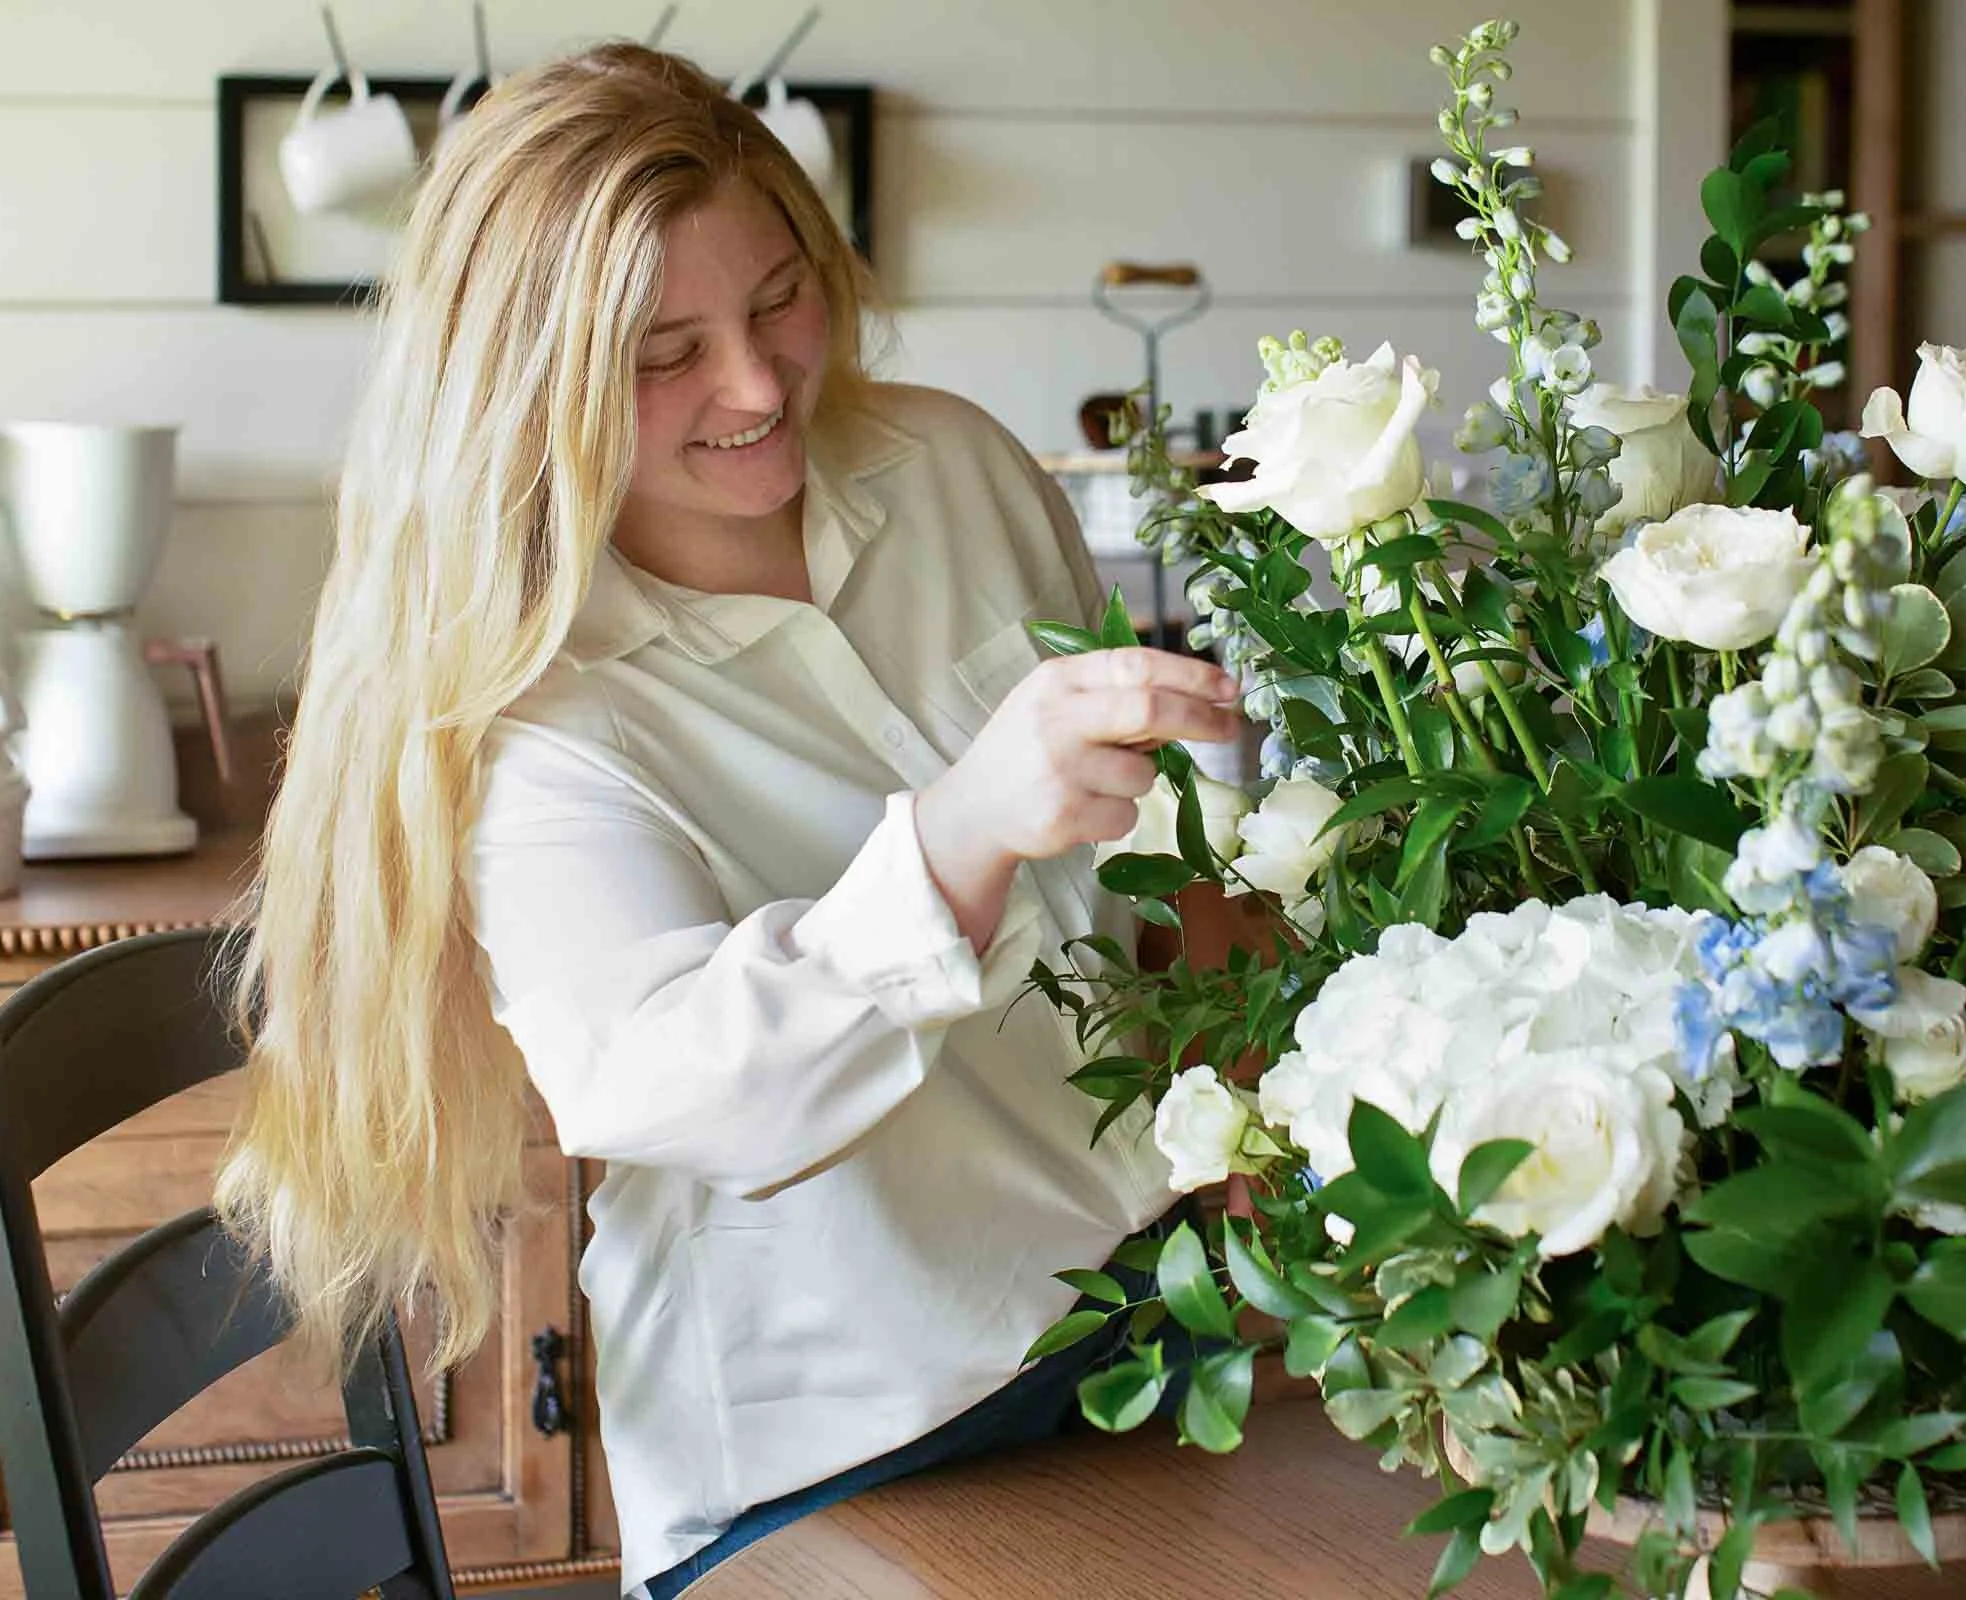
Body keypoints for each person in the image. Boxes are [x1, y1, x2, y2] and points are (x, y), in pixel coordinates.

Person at [214, 42, 1244, 1598]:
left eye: (778, 300)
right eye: (661, 351)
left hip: (1154, 1325)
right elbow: (668, 1085)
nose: (758, 385)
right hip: (840, 1444)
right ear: (531, 383)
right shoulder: (530, 705)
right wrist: (956, 836)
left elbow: (1149, 888)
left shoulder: (955, 469)